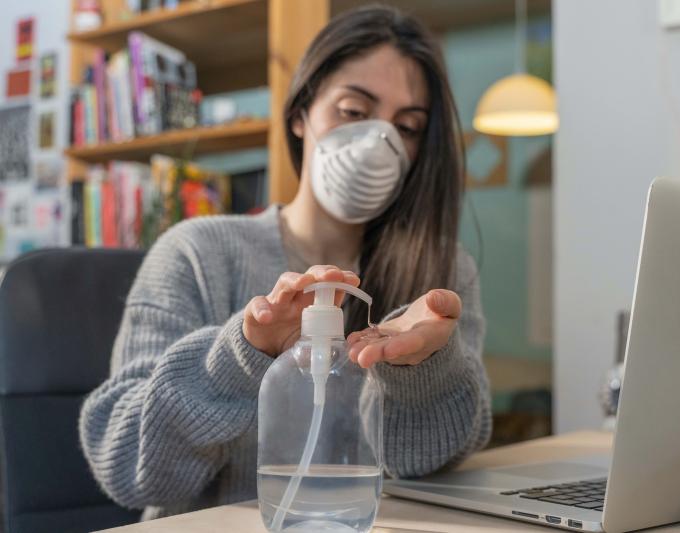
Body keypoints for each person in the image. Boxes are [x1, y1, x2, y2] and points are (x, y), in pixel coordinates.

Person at [79, 5, 491, 521]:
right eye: (354, 112)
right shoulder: (198, 253)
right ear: (300, 115)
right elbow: (125, 466)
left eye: (406, 127)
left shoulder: (441, 274)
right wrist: (240, 356)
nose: (378, 143)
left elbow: (436, 467)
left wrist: (424, 370)